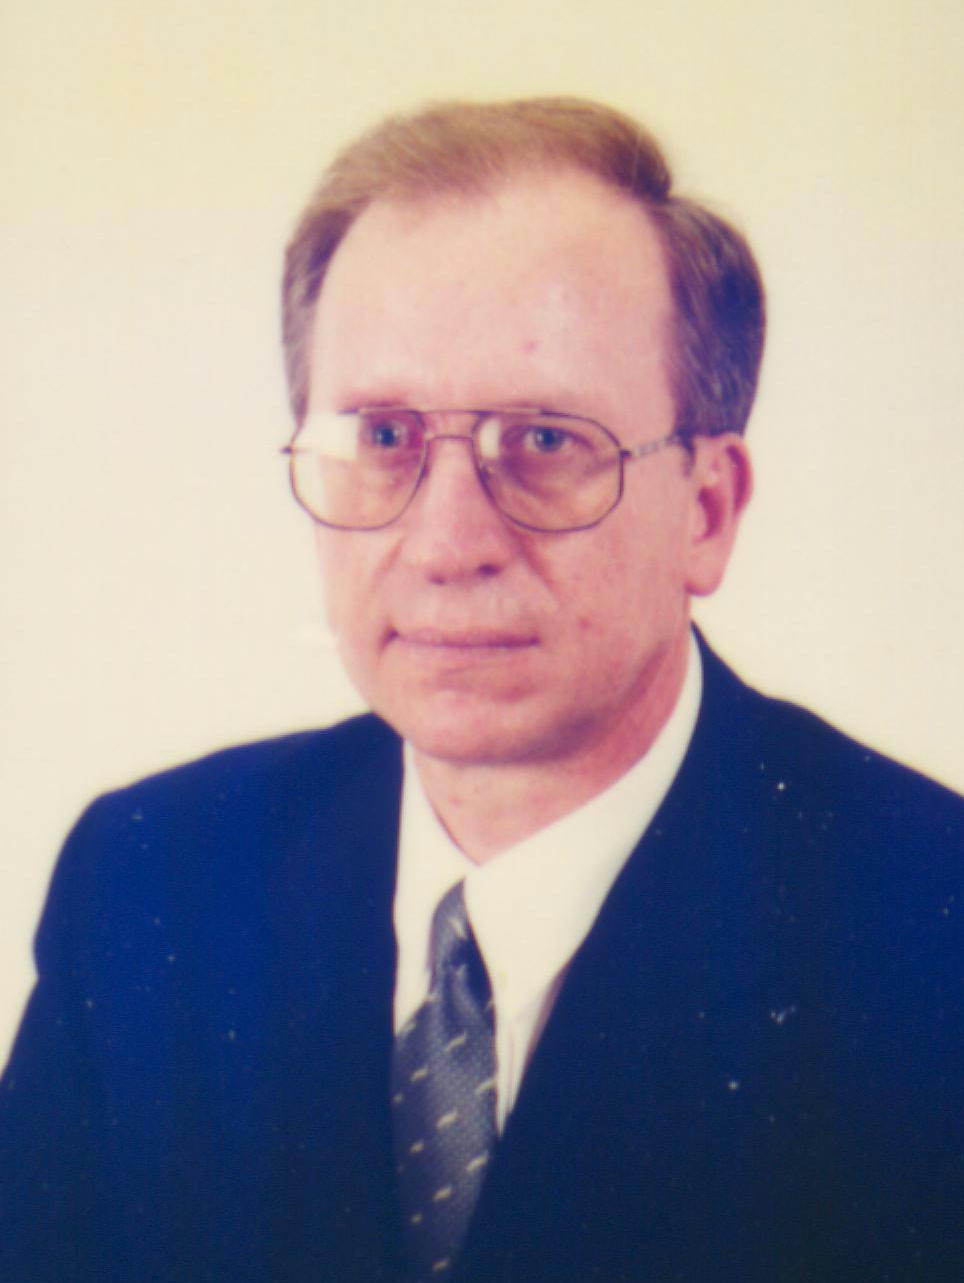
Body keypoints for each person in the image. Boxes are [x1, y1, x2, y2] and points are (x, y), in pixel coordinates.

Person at [1, 97, 961, 1283]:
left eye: (546, 440)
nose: (447, 542)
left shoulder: (931, 936)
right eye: (384, 436)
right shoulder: (151, 880)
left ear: (706, 510)